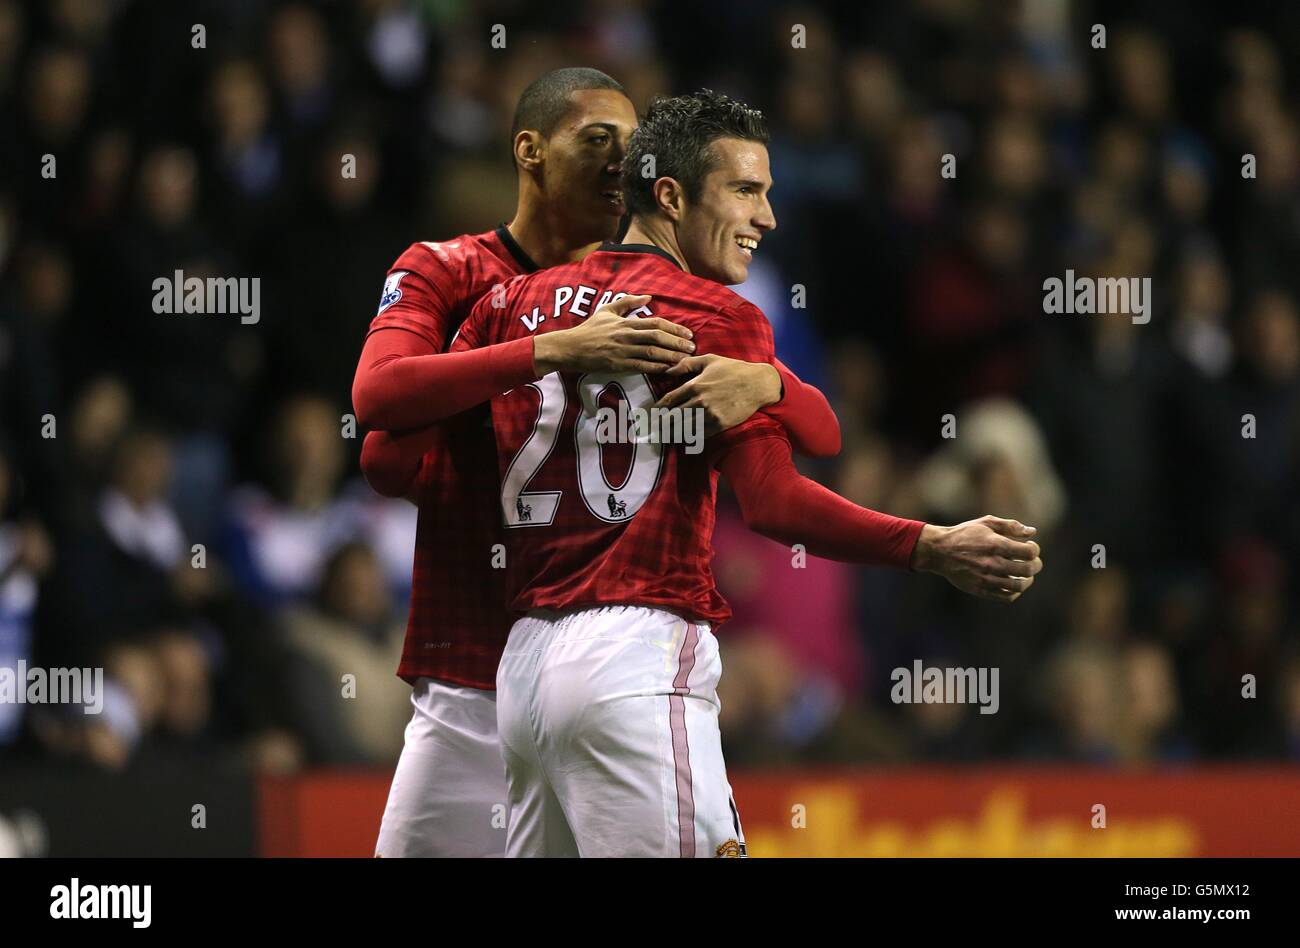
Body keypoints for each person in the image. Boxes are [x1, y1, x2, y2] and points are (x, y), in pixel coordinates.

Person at [451, 90, 1043, 857]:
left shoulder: (511, 306)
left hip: (524, 669)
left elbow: (389, 455)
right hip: (636, 654)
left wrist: (766, 384)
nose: (767, 218)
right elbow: (776, 498)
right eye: (745, 191)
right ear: (669, 196)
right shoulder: (717, 315)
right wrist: (926, 544)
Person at [352, 69, 842, 857]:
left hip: (595, 656)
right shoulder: (449, 271)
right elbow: (379, 421)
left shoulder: (671, 299)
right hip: (473, 667)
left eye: (633, 142)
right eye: (598, 140)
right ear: (530, 151)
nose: (624, 159)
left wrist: (768, 383)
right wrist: (549, 355)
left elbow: (785, 470)